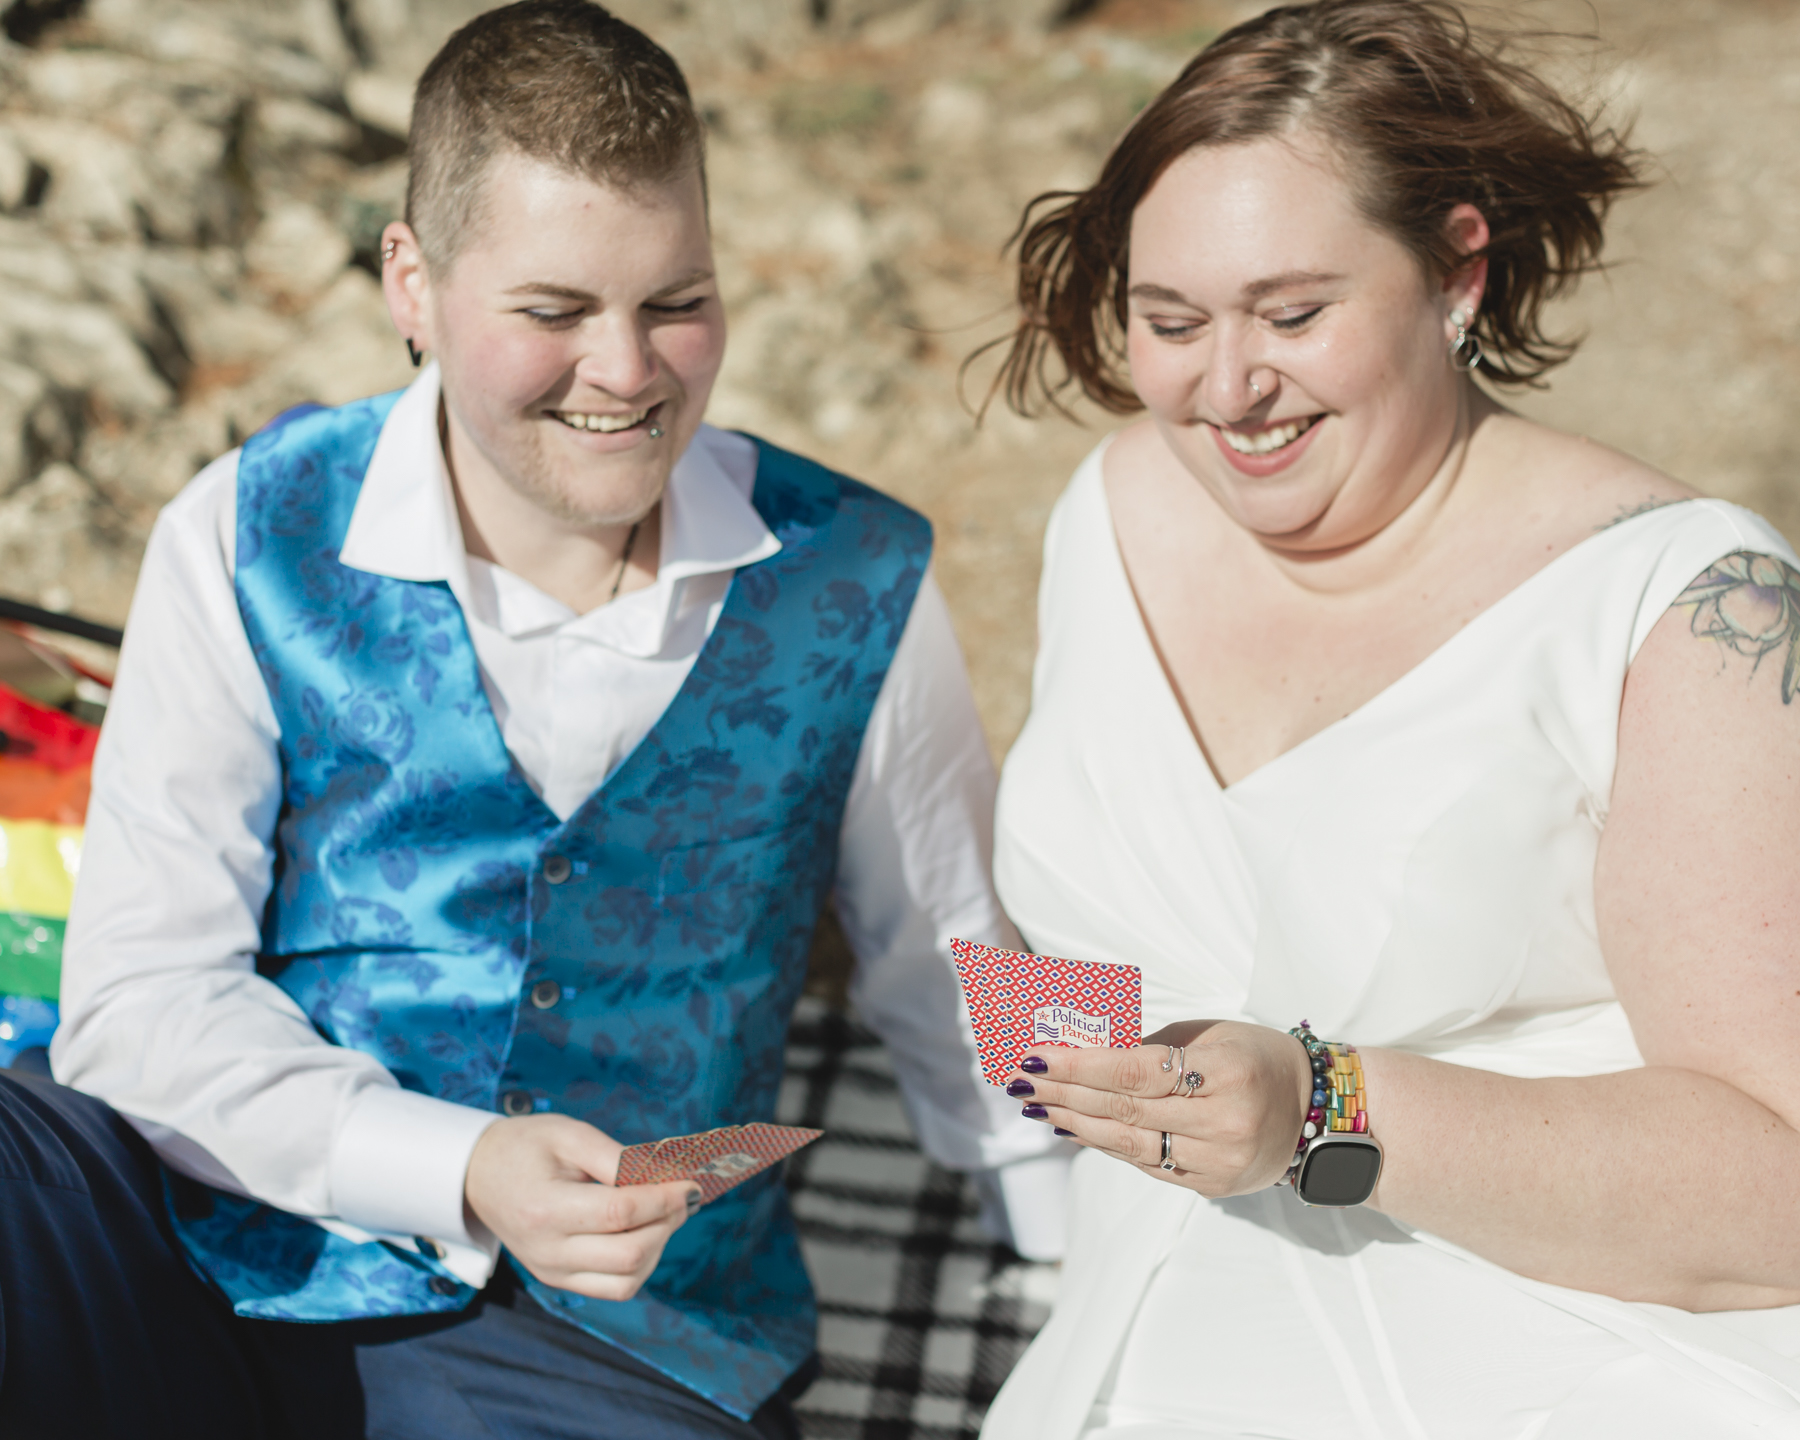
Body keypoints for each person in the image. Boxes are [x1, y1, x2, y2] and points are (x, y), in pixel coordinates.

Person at [16, 3, 1063, 1437]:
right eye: (555, 312)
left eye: (676, 302)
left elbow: (967, 958)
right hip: (182, 1226)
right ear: (414, 282)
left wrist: (1089, 1238)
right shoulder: (246, 532)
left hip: (612, 1337)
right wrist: (457, 1163)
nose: (628, 372)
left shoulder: (857, 571)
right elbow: (133, 1006)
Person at [972, 2, 1800, 1436]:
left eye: (1294, 316)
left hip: (1553, 1370)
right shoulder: (1116, 507)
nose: (1227, 391)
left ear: (1455, 271)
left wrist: (1324, 1109)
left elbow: (1779, 1183)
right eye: (1171, 322)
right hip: (1134, 1345)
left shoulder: (1694, 609)